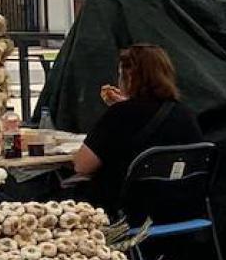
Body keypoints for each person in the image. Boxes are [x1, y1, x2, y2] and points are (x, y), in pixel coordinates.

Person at [72, 43, 203, 213]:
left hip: (129, 211)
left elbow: (82, 165)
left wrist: (118, 110)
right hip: (181, 210)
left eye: (120, 75)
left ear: (130, 77)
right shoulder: (184, 113)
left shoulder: (119, 115)